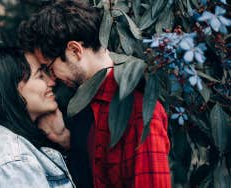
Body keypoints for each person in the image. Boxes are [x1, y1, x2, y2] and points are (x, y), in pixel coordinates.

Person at [18, 1, 171, 188]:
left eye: (49, 67)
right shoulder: (83, 107)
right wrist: (66, 141)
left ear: (75, 50)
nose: (53, 79)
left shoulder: (138, 111)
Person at [0, 47, 74, 188]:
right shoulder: (12, 163)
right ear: (13, 88)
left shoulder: (14, 147)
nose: (51, 82)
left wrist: (63, 139)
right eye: (40, 76)